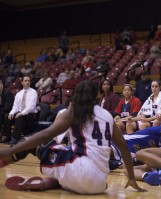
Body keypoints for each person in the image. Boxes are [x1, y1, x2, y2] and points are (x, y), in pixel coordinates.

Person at [0, 80, 145, 194]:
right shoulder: (107, 115)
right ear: (97, 96)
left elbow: (45, 135)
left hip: (80, 170)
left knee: (32, 141)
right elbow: (124, 148)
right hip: (100, 184)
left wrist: (9, 150)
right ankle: (53, 182)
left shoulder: (75, 111)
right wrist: (131, 178)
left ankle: (7, 161)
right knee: (74, 164)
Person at [3, 75, 38, 144]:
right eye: (25, 81)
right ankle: (7, 137)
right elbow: (15, 106)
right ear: (22, 82)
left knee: (20, 116)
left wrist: (22, 113)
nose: (27, 82)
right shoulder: (19, 94)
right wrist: (11, 113)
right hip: (20, 114)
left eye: (29, 81)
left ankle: (15, 138)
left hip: (30, 114)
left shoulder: (33, 92)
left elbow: (31, 106)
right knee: (7, 116)